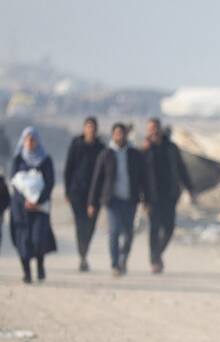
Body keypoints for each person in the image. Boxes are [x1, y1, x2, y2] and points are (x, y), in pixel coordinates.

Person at [88, 123, 150, 276]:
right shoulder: (106, 154)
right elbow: (97, 179)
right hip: (112, 200)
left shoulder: (135, 154)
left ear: (126, 135)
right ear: (112, 135)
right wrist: (91, 202)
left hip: (130, 199)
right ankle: (115, 264)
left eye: (121, 133)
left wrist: (146, 199)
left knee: (129, 233)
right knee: (114, 232)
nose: (119, 136)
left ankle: (123, 259)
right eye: (116, 133)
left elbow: (143, 179)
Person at [142, 118, 195, 273]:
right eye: (150, 128)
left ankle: (157, 254)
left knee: (169, 228)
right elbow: (138, 174)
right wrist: (142, 197)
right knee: (154, 228)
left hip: (170, 195)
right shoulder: (145, 150)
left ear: (160, 129)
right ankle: (154, 259)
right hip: (151, 196)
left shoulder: (171, 148)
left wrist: (189, 187)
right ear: (148, 131)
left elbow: (181, 167)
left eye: (155, 127)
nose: (153, 131)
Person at [9, 127, 57, 283]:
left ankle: (40, 265)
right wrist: (25, 201)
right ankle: (27, 273)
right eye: (27, 139)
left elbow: (50, 183)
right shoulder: (18, 160)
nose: (30, 142)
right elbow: (14, 183)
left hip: (40, 208)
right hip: (21, 208)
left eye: (33, 139)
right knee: (23, 240)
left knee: (38, 239)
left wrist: (38, 201)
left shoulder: (45, 160)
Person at [64, 117, 106, 271]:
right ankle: (83, 256)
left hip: (95, 194)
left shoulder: (101, 147)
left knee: (91, 226)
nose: (91, 130)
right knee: (80, 224)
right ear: (84, 128)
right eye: (88, 126)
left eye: (93, 127)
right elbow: (69, 168)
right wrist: (67, 191)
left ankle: (84, 251)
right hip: (77, 192)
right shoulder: (76, 145)